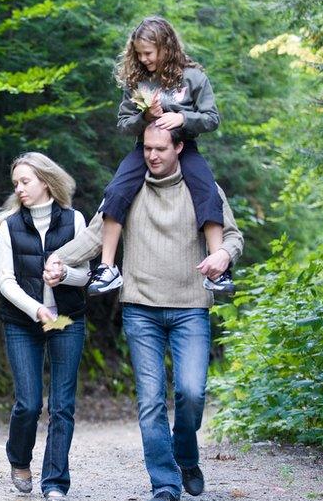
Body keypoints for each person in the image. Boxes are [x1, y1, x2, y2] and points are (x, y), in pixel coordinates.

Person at [44, 124, 244, 501]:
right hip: (141, 310)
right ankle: (165, 483)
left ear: (179, 147)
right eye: (147, 148)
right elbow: (94, 236)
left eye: (160, 148)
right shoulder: (129, 188)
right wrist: (59, 259)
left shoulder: (203, 189)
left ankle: (186, 455)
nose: (152, 156)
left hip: (190, 307)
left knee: (191, 393)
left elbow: (232, 236)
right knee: (150, 400)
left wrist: (224, 255)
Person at [88, 16, 234, 296]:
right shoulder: (136, 80)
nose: (143, 59)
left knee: (207, 191)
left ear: (166, 48)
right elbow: (123, 123)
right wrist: (145, 116)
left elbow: (212, 119)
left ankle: (218, 269)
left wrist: (181, 118)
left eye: (148, 53)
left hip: (183, 147)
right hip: (144, 147)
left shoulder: (193, 77)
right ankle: (106, 267)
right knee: (116, 190)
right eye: (138, 54)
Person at [0, 152, 90, 501]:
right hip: (22, 322)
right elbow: (5, 282)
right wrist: (37, 309)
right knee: (29, 403)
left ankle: (55, 481)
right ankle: (19, 459)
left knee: (62, 405)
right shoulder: (9, 226)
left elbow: (86, 275)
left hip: (67, 320)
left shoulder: (75, 220)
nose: (19, 188)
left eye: (25, 181)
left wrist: (65, 276)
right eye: (16, 183)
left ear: (45, 181)